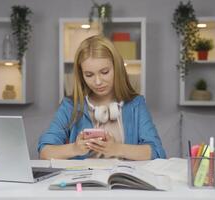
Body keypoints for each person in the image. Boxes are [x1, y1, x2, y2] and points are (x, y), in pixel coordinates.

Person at [38, 35, 166, 160]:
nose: (98, 82)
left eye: (104, 72)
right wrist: (74, 149)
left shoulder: (136, 104)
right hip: (84, 179)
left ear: (117, 68)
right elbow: (45, 151)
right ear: (81, 75)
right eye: (89, 75)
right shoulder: (70, 106)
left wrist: (116, 149)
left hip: (122, 178)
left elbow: (157, 152)